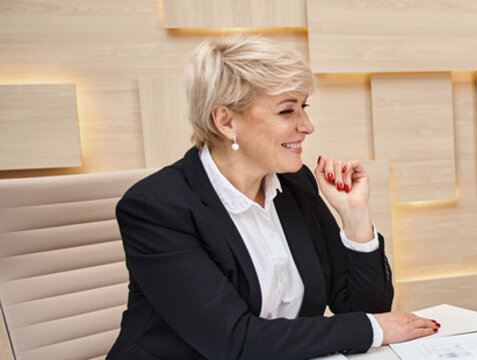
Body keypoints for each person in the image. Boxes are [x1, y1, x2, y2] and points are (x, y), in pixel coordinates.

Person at [108, 35, 438, 359]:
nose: (307, 125)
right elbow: (232, 341)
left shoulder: (296, 184)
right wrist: (373, 330)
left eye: (303, 107)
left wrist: (355, 218)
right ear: (226, 121)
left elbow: (363, 310)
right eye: (286, 111)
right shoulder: (157, 208)